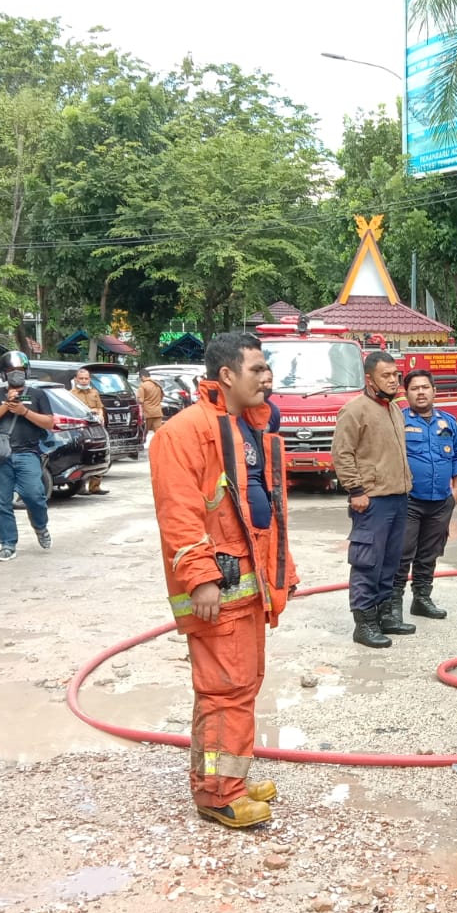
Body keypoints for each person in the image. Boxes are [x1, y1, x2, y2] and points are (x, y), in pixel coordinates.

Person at [150, 331, 295, 829]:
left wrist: (282, 575)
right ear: (227, 375)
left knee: (240, 686)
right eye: (257, 369)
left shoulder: (245, 428)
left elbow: (264, 512)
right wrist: (201, 577)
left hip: (246, 590)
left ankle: (229, 774)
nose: (268, 377)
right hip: (217, 591)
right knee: (224, 690)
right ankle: (218, 793)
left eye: (267, 368)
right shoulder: (187, 432)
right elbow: (180, 514)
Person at [332, 350, 414, 648]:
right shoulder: (355, 411)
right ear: (369, 379)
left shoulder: (393, 410)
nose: (394, 381)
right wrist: (355, 490)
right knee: (367, 562)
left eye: (396, 375)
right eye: (386, 376)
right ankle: (364, 623)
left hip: (398, 497)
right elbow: (342, 454)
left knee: (390, 562)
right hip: (372, 501)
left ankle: (384, 616)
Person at [392, 369, 457, 621]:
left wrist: (455, 492)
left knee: (430, 553)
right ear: (406, 393)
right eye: (415, 388)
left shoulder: (448, 423)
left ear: (434, 391)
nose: (421, 392)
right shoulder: (399, 421)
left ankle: (422, 599)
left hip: (440, 501)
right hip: (409, 501)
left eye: (425, 387)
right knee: (402, 552)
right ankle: (393, 605)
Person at [0, 350, 57, 561]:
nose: (16, 374)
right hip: (1, 455)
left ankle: (40, 526)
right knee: (2, 501)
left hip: (28, 453)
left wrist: (24, 411)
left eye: (20, 370)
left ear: (27, 371)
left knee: (35, 495)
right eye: (11, 371)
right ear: (4, 374)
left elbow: (49, 423)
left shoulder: (37, 395)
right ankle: (7, 544)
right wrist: (6, 405)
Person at [68, 368, 108, 495]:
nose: (84, 381)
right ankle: (80, 486)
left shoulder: (94, 392)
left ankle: (95, 486)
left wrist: (100, 414)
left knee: (99, 455)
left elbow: (100, 408)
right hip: (81, 430)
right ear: (76, 379)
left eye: (86, 378)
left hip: (96, 429)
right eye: (81, 378)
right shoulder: (71, 394)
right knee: (83, 457)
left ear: (89, 379)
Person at [138, 367, 165, 445]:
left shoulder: (143, 386)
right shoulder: (158, 385)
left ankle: (141, 443)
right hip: (157, 412)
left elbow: (140, 400)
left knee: (144, 431)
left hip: (148, 413)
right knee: (158, 431)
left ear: (143, 376)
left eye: (140, 378)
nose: (141, 380)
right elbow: (161, 397)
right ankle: (163, 445)